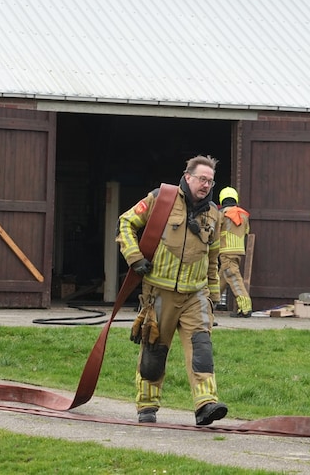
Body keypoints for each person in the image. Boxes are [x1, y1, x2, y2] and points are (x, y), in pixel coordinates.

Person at [117, 155, 228, 426]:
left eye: (210, 181)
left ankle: (206, 405)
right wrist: (134, 257)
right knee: (153, 353)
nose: (206, 185)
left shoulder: (215, 214)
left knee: (202, 350)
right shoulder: (160, 199)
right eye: (202, 179)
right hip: (159, 292)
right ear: (187, 176)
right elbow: (125, 223)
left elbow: (213, 259)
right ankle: (147, 407)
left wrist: (213, 298)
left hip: (196, 296)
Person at [216, 186, 253, 317]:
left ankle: (245, 308)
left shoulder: (221, 214)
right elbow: (247, 232)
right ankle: (208, 305)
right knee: (221, 280)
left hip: (226, 251)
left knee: (234, 279)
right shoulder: (244, 215)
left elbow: (215, 231)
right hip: (238, 251)